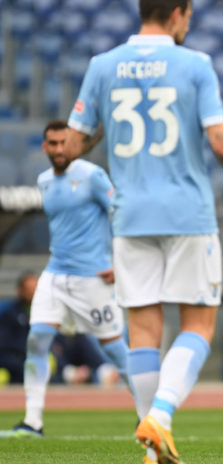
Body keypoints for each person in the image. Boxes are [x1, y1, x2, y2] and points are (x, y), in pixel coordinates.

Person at [63, 1, 223, 462]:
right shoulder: (195, 64)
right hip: (186, 214)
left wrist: (107, 130)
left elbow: (71, 144)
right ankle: (161, 418)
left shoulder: (103, 65)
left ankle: (152, 450)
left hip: (130, 215)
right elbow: (221, 141)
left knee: (143, 332)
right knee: (198, 325)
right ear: (178, 14)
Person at [0, 121, 130, 439]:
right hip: (55, 275)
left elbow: (122, 213)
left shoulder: (92, 176)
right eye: (53, 143)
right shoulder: (44, 181)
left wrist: (121, 263)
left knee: (116, 350)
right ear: (44, 147)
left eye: (64, 142)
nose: (59, 149)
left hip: (93, 277)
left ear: (72, 145)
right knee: (37, 340)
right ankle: (33, 422)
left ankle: (150, 416)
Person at [0, 272, 37, 385]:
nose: (33, 292)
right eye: (29, 289)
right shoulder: (10, 315)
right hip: (16, 369)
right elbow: (5, 350)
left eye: (36, 289)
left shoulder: (45, 315)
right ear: (20, 290)